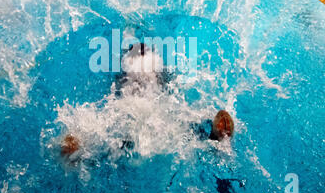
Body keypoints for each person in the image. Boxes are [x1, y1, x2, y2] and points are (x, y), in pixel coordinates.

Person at [60, 43, 234, 157]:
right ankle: (216, 138)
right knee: (184, 125)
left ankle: (76, 148)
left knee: (106, 131)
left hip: (129, 129)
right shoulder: (166, 94)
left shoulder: (122, 95)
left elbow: (99, 118)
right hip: (155, 122)